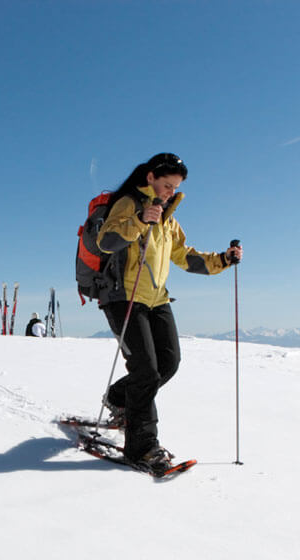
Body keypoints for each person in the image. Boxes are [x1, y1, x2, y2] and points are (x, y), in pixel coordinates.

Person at [96, 152, 243, 471]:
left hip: (157, 299)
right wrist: (139, 220)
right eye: (166, 185)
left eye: (174, 187)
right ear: (150, 178)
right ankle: (142, 447)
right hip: (124, 297)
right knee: (146, 370)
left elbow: (185, 257)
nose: (169, 192)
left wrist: (223, 259)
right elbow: (106, 241)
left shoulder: (168, 220)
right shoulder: (129, 204)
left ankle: (120, 398)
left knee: (169, 362)